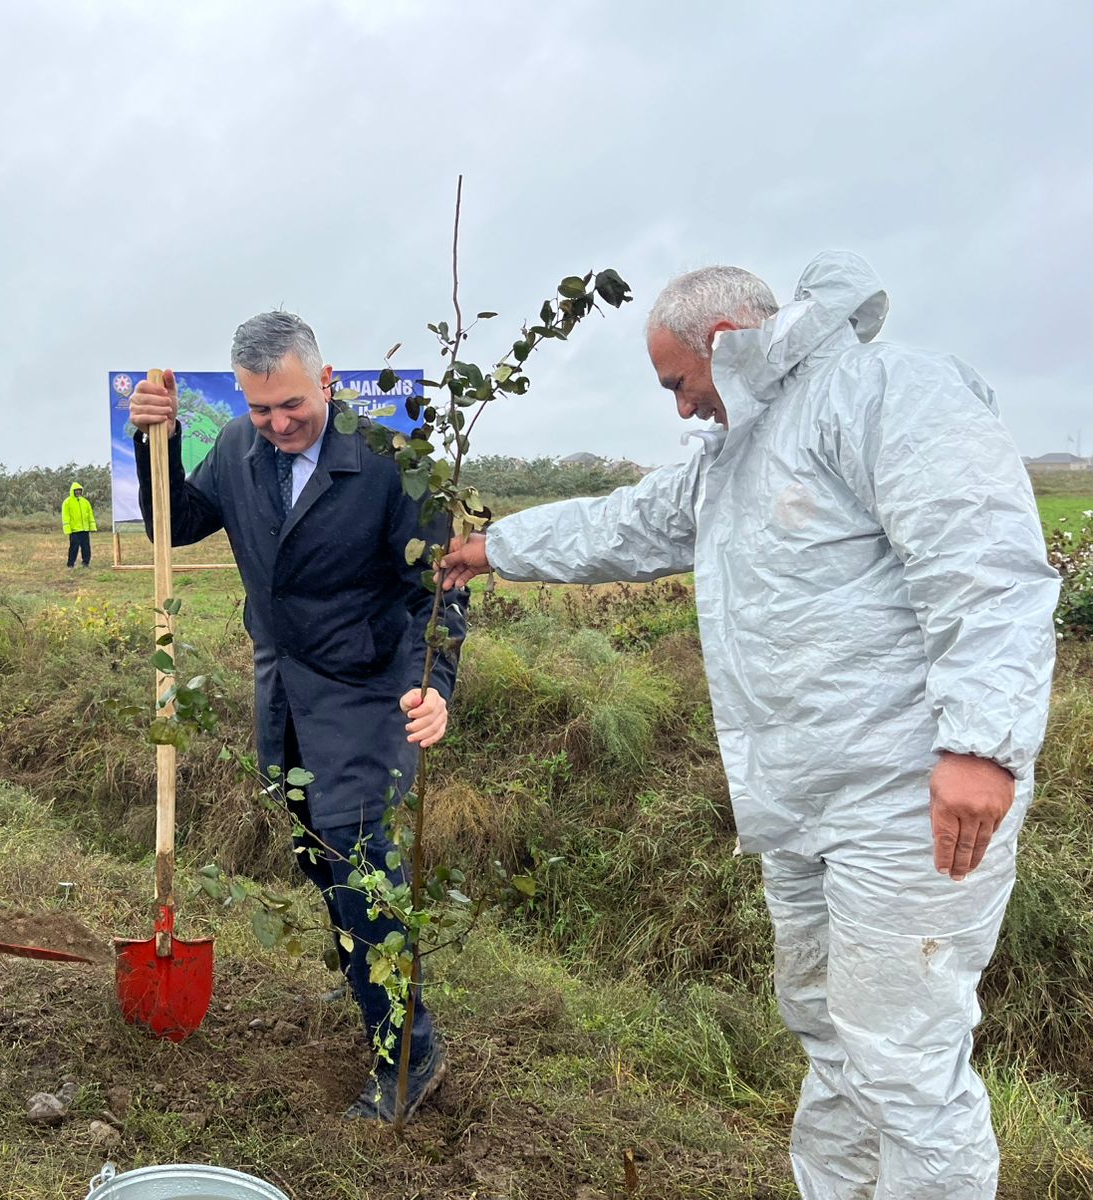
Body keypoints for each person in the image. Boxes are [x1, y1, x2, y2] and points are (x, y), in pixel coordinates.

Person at [439, 252, 1059, 1197]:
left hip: (909, 803)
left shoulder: (886, 390)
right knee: (829, 1032)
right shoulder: (737, 451)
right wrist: (495, 547)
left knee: (904, 1060)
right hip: (804, 806)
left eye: (678, 383)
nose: (681, 408)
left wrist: (981, 746)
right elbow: (628, 524)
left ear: (723, 345)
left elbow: (985, 565)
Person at [128, 311, 467, 1124]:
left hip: (366, 687)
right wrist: (159, 444)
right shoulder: (240, 453)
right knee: (313, 847)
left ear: (326, 380)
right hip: (281, 681)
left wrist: (439, 684)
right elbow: (174, 522)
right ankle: (366, 971)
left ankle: (407, 1049)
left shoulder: (393, 466)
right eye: (260, 409)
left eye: (291, 407)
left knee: (357, 855)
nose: (278, 425)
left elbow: (442, 588)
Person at [61, 480, 96, 568]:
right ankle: (70, 564)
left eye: (80, 490)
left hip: (85, 529)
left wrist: (92, 527)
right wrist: (68, 529)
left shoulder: (85, 502)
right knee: (74, 548)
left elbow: (90, 515)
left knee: (86, 547)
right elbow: (66, 516)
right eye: (76, 490)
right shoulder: (67, 502)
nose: (78, 492)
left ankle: (86, 563)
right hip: (74, 530)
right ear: (73, 491)